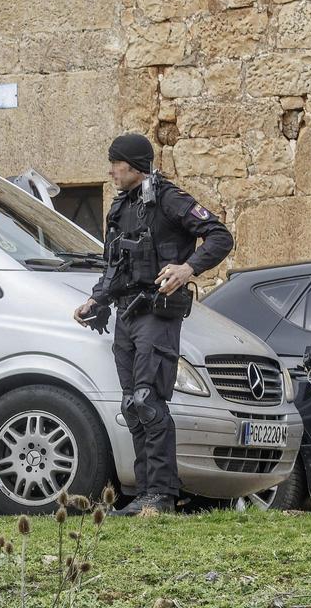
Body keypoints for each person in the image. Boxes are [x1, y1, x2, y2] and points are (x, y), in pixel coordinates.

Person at [73, 133, 233, 516]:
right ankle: (144, 493)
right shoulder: (120, 206)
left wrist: (187, 268)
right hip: (127, 314)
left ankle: (161, 495)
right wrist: (96, 300)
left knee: (148, 401)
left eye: (115, 164)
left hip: (157, 314)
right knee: (132, 405)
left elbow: (219, 236)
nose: (110, 171)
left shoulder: (169, 199)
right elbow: (114, 266)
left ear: (133, 165)